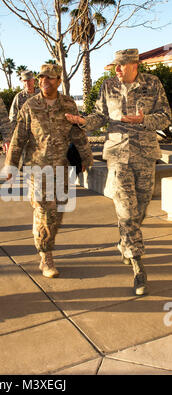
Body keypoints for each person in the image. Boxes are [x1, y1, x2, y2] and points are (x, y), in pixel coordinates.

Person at [66, 48, 171, 296]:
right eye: (115, 66)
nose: (117, 70)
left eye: (121, 66)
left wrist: (143, 120)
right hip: (117, 154)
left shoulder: (153, 84)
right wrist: (82, 122)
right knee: (125, 208)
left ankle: (124, 241)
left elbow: (166, 116)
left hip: (145, 154)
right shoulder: (108, 86)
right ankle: (137, 265)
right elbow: (99, 116)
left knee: (140, 208)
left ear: (134, 65)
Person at [5, 64, 93, 278]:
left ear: (58, 81)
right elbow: (19, 137)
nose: (45, 81)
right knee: (46, 210)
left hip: (61, 167)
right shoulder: (30, 105)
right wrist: (11, 164)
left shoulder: (68, 104)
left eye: (50, 78)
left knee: (57, 211)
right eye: (42, 77)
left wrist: (86, 156)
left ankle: (41, 235)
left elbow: (78, 134)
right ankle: (46, 256)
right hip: (37, 168)